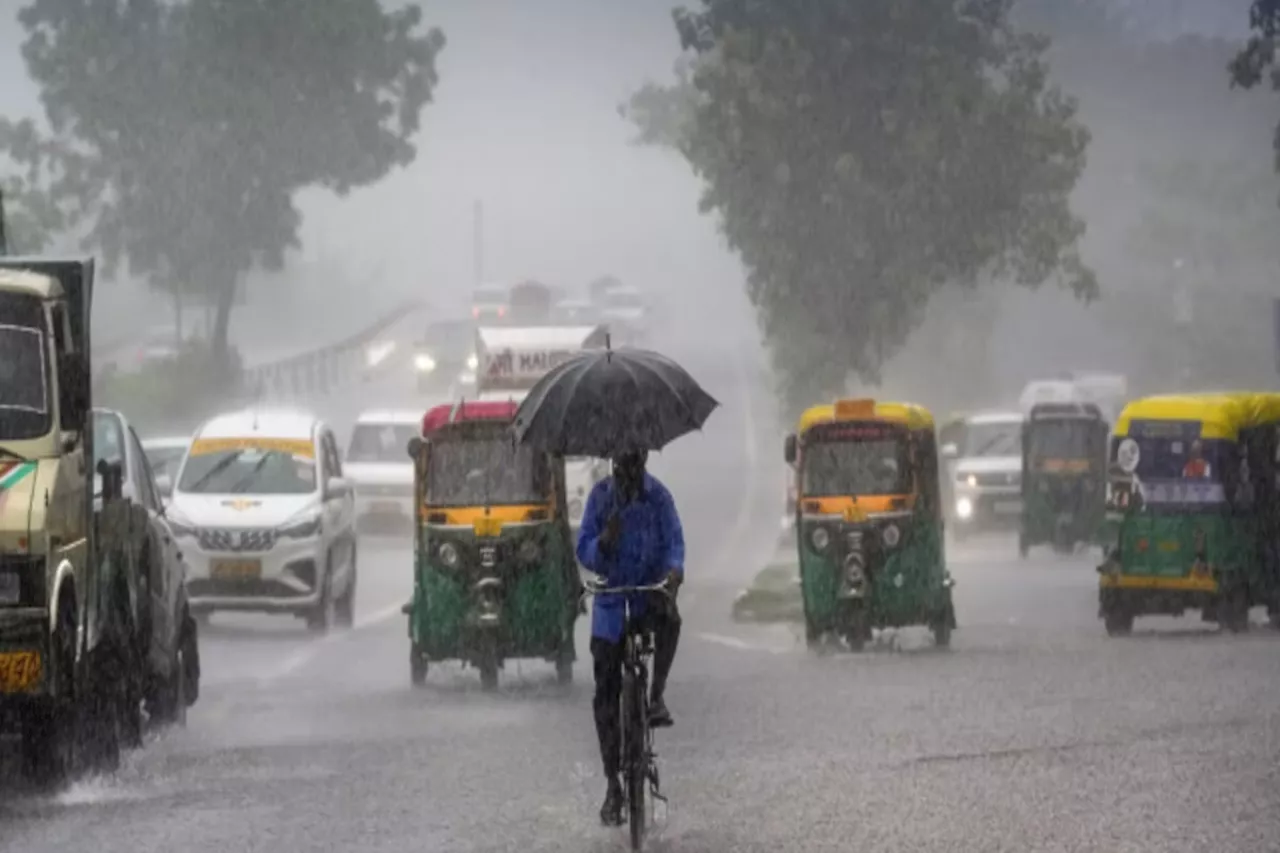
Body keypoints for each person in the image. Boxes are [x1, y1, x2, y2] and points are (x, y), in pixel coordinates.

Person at [576, 449, 685, 827]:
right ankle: (613, 784)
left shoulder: (659, 498)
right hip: (610, 603)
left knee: (671, 620)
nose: (629, 474)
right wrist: (602, 544)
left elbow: (675, 542)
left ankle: (655, 696)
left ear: (644, 463)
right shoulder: (599, 498)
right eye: (623, 467)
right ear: (613, 465)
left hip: (648, 593)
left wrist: (673, 572)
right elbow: (584, 548)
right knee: (605, 695)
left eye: (635, 465)